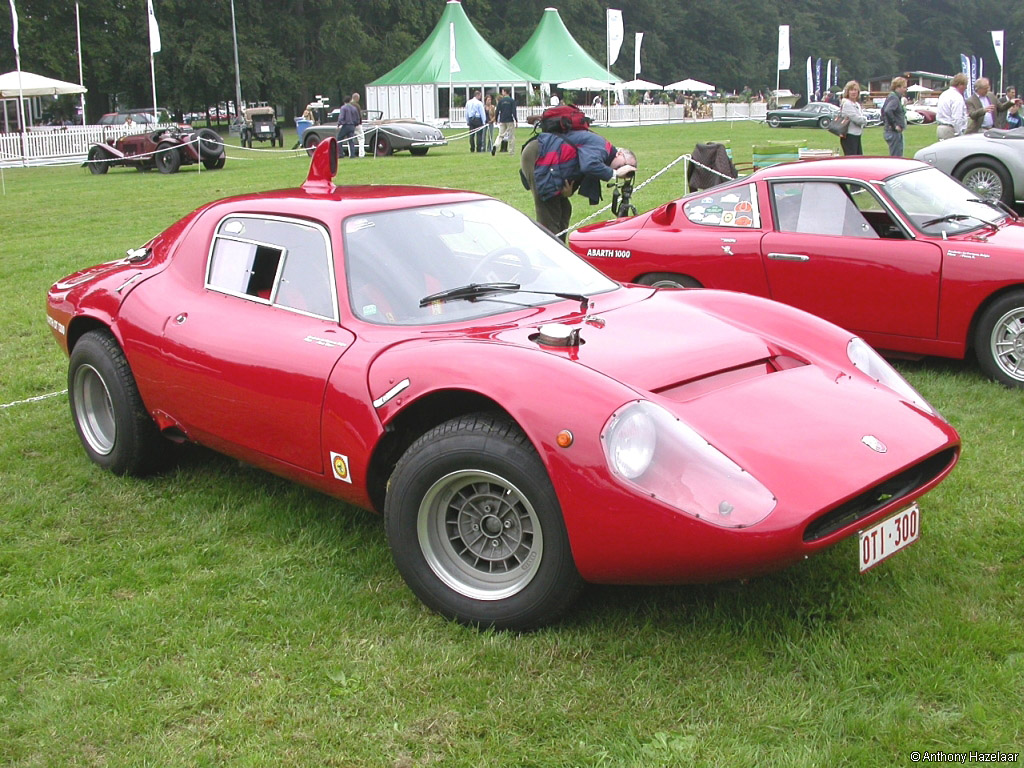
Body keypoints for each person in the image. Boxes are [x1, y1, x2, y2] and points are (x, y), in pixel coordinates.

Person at [520, 129, 636, 241]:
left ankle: (560, 249)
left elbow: (577, 167)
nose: (623, 170)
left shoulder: (603, 156)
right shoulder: (602, 147)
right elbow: (589, 165)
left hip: (551, 159)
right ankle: (547, 253)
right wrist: (615, 173)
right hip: (538, 153)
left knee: (565, 208)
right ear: (619, 153)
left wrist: (568, 192)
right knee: (549, 208)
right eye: (624, 164)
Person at [839, 80, 868, 156]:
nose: (853, 92)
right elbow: (857, 119)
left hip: (857, 135)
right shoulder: (847, 104)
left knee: (859, 159)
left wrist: (863, 119)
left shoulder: (857, 104)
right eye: (851, 90)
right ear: (847, 92)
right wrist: (865, 120)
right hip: (849, 136)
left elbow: (860, 117)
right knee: (852, 160)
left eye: (855, 90)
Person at [936, 73, 968, 140]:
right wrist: (959, 133)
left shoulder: (944, 94)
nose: (966, 88)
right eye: (965, 85)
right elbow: (957, 117)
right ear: (960, 85)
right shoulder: (957, 97)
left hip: (940, 128)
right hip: (950, 130)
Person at [881, 76, 908, 156]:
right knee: (896, 156)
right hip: (893, 132)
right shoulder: (894, 99)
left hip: (890, 131)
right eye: (904, 87)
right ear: (897, 87)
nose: (905, 89)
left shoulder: (892, 97)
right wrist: (894, 125)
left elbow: (883, 111)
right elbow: (887, 111)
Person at [491, 88, 517, 155]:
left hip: (502, 120)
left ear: (505, 92)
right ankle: (511, 152)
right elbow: (514, 111)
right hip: (509, 120)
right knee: (511, 136)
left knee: (500, 135)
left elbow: (497, 111)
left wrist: (496, 119)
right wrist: (516, 120)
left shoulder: (501, 101)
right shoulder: (512, 101)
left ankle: (495, 145)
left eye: (502, 91)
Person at [350, 92, 365, 157]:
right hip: (357, 124)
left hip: (349, 125)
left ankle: (351, 153)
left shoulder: (348, 105)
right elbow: (359, 115)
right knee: (361, 138)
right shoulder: (357, 106)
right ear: (356, 98)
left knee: (350, 139)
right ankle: (361, 153)